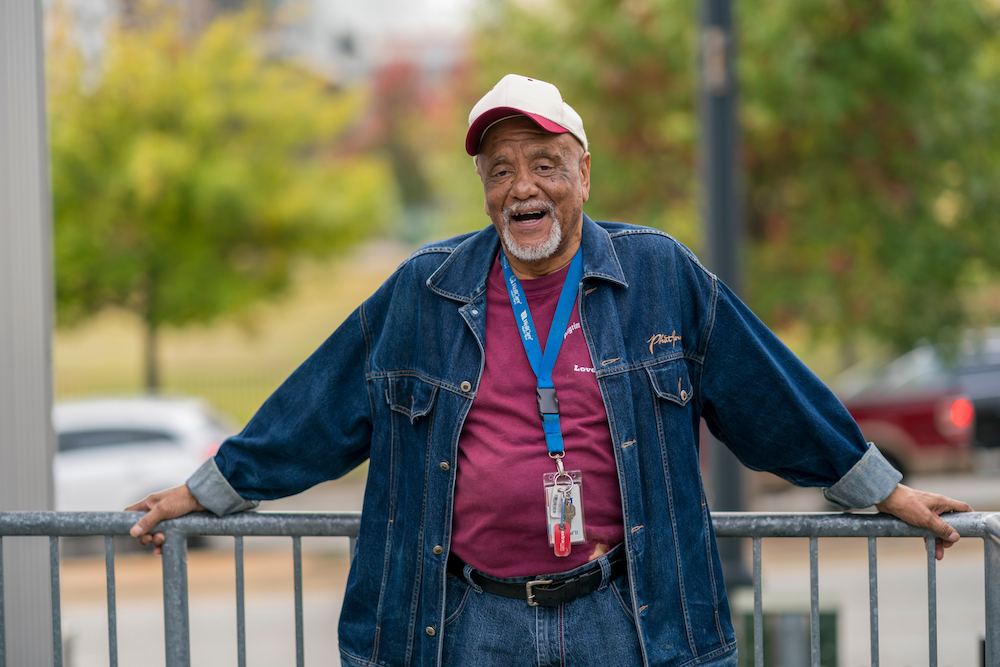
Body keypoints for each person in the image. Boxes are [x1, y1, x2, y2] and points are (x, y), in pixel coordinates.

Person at [128, 74, 972, 667]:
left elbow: (769, 392)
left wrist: (883, 489)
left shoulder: (658, 276)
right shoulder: (422, 292)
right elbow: (315, 408)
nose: (520, 187)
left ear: (582, 173)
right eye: (499, 170)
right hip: (465, 622)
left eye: (542, 163)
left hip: (625, 615)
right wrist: (203, 491)